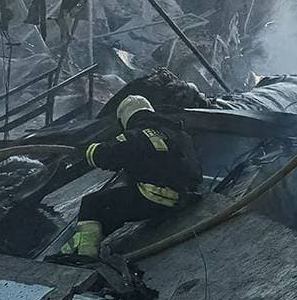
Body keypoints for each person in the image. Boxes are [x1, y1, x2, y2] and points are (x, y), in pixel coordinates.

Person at [71, 93, 203, 253]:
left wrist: (88, 151)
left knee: (92, 204)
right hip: (187, 196)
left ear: (125, 118)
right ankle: (91, 245)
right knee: (111, 213)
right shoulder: (180, 134)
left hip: (155, 198)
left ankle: (85, 254)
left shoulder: (135, 135)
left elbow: (108, 155)